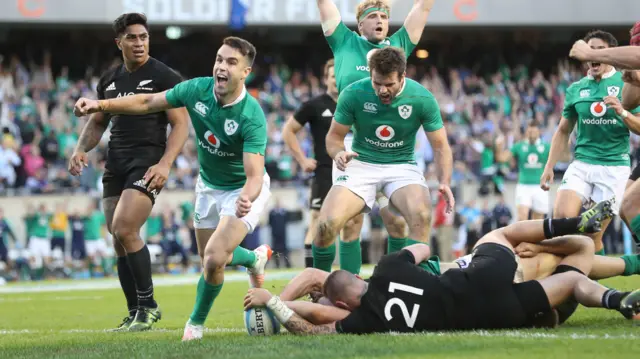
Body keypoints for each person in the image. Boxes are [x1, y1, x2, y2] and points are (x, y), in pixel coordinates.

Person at [73, 36, 273, 342]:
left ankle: (195, 324)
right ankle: (252, 259)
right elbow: (146, 101)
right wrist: (99, 104)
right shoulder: (197, 89)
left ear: (246, 72)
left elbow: (255, 175)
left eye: (231, 62)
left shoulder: (251, 115)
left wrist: (246, 197)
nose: (222, 66)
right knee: (208, 258)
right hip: (207, 186)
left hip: (240, 190)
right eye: (219, 59)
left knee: (214, 257)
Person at [244, 200, 640, 334]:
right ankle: (615, 292)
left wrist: (276, 302)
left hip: (496, 311)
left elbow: (314, 320)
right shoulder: (385, 271)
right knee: (510, 237)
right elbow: (418, 246)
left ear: (345, 305)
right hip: (474, 277)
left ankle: (618, 296)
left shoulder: (365, 318)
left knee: (569, 273)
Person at [68, 13, 189, 331]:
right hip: (116, 164)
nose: (139, 43)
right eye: (132, 37)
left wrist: (165, 164)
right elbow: (97, 122)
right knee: (117, 237)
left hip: (147, 162)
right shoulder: (109, 80)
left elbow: (180, 125)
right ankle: (135, 311)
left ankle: (149, 306)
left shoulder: (164, 76)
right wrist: (81, 149)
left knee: (125, 228)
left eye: (144, 37)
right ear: (118, 41)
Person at [315, 0, 437, 273]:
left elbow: (424, 8)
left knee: (397, 223)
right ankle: (343, 285)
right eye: (373, 16)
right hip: (352, 145)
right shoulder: (343, 41)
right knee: (350, 222)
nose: (381, 20)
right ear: (360, 24)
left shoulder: (398, 47)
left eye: (384, 15)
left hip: (392, 151)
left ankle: (397, 280)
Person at [541, 30, 640, 255]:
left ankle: (595, 287)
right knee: (563, 224)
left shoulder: (627, 81)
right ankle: (575, 282)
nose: (593, 55)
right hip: (582, 164)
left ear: (611, 54)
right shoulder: (576, 88)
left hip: (614, 167)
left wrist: (623, 112)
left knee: (591, 236)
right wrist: (549, 166)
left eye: (600, 50)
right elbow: (563, 130)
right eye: (590, 49)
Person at [569, 22, 640, 249]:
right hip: (586, 161)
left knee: (624, 207)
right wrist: (633, 79)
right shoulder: (581, 87)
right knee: (626, 207)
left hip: (614, 162)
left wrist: (590, 53)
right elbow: (628, 100)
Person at [282, 59, 338, 268]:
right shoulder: (315, 105)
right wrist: (302, 159)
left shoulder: (354, 103)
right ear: (326, 79)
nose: (336, 80)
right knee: (317, 219)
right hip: (324, 171)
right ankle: (310, 276)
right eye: (332, 76)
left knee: (351, 224)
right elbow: (288, 130)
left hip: (352, 173)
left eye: (339, 75)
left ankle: (350, 276)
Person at [509, 120, 551, 221]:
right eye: (530, 131)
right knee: (522, 217)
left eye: (534, 131)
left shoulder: (546, 147)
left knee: (538, 221)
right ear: (526, 132)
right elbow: (506, 159)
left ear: (539, 132)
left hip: (540, 186)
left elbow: (558, 159)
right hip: (523, 185)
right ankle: (521, 237)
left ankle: (535, 237)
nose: (531, 134)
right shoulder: (519, 146)